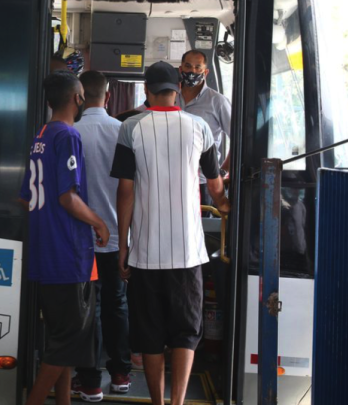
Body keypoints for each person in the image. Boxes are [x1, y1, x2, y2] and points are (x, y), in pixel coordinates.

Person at [110, 62, 231, 405]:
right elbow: (215, 186)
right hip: (188, 254)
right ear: (178, 87)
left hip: (146, 254)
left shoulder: (131, 128)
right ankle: (177, 402)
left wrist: (123, 247)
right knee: (185, 333)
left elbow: (125, 192)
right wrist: (225, 206)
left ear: (146, 90)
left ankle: (157, 403)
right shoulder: (200, 127)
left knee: (149, 335)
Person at [19, 71, 109, 405]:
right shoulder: (67, 137)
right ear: (77, 98)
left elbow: (25, 196)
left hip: (44, 252)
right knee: (67, 340)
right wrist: (98, 222)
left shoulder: (40, 136)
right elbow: (67, 197)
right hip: (68, 255)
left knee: (62, 340)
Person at [72, 71, 131, 402]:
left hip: (81, 238)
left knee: (87, 309)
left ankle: (89, 380)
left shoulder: (72, 133)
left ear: (79, 96)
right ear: (107, 97)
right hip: (116, 237)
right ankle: (121, 374)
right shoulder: (123, 131)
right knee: (117, 303)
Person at [176, 50, 232, 204]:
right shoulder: (171, 97)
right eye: (188, 66)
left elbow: (238, 140)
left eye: (197, 68)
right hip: (172, 179)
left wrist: (222, 171)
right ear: (181, 69)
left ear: (205, 72)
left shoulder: (218, 102)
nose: (192, 71)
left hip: (204, 182)